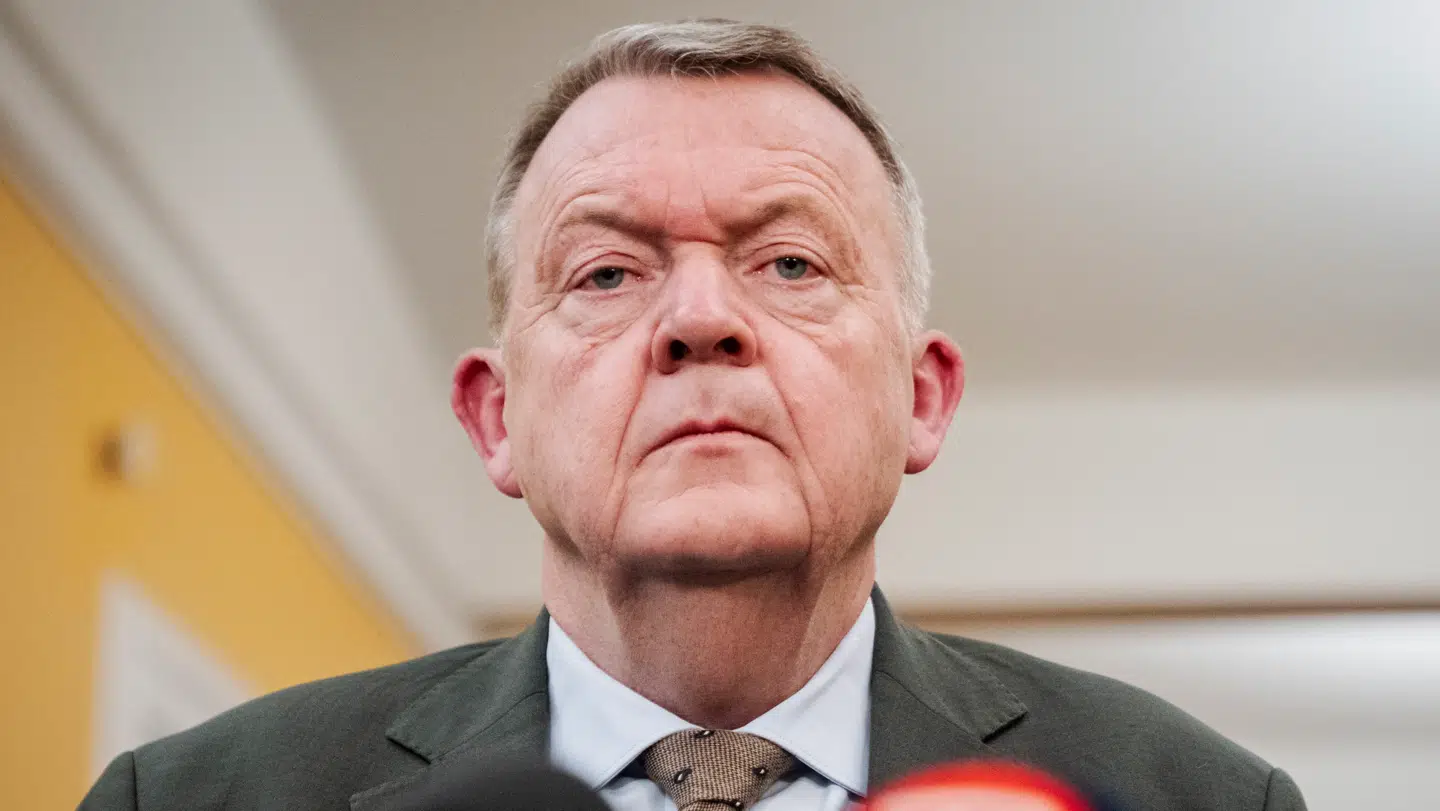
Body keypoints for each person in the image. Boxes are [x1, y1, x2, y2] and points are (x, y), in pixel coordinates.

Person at [80, 19, 1306, 811]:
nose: (700, 318)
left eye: (789, 264)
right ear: (494, 417)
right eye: (608, 273)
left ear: (920, 398)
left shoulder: (1198, 797)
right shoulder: (188, 797)